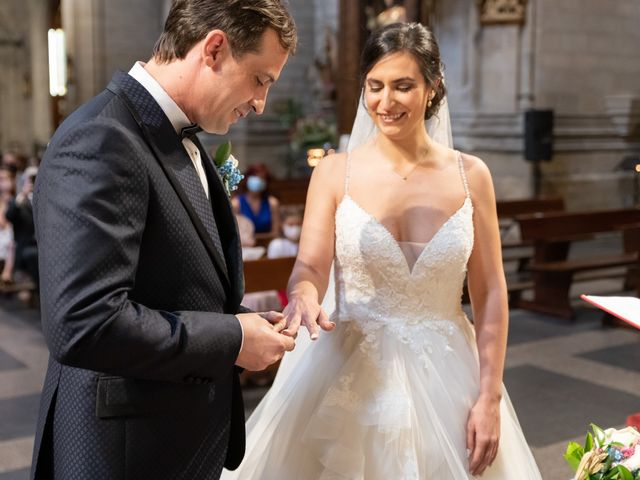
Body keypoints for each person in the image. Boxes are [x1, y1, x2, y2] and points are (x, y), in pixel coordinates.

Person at [223, 22, 542, 479]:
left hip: (448, 369)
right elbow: (310, 266)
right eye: (375, 86)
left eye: (403, 86)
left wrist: (489, 396)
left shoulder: (473, 176)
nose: (385, 102)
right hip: (349, 367)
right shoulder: (335, 173)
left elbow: (490, 294)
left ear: (432, 89)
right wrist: (306, 295)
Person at [31, 1, 297, 479]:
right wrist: (232, 339)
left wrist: (243, 323)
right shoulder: (103, 137)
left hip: (171, 442)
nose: (261, 103)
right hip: (122, 455)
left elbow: (169, 286)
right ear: (214, 48)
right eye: (261, 80)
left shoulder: (170, 136)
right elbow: (85, 322)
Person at [231, 163, 281, 237]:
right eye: (255, 176)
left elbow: (275, 232)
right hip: (244, 246)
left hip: (267, 244)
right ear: (247, 178)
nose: (258, 180)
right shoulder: (236, 203)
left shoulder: (272, 203)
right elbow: (234, 233)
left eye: (262, 178)